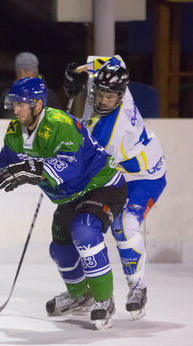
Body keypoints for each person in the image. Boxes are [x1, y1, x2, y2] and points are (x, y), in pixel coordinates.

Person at [0, 77, 127, 330]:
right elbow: (8, 157)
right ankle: (79, 295)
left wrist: (34, 169)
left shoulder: (61, 124)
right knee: (60, 248)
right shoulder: (15, 129)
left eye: (22, 104)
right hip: (69, 196)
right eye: (14, 104)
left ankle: (104, 299)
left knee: (84, 231)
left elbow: (71, 165)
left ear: (38, 104)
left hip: (101, 186)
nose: (16, 110)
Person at [63, 56, 167, 320]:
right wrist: (76, 71)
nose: (102, 101)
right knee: (74, 224)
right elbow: (113, 60)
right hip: (120, 172)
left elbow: (84, 163)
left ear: (120, 96)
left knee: (124, 225)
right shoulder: (116, 84)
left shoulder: (114, 133)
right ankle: (83, 290)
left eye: (110, 97)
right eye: (99, 94)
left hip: (143, 176)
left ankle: (138, 287)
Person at [0, 52, 61, 118]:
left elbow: (56, 122)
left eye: (26, 71)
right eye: (18, 72)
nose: (22, 75)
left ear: (35, 73)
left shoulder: (49, 97)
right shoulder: (6, 97)